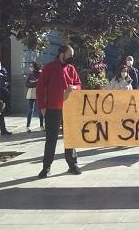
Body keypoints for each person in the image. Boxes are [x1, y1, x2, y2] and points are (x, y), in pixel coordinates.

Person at [36, 45, 82, 178]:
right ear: (62, 54)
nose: (71, 57)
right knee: (51, 139)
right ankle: (46, 167)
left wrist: (74, 87)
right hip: (52, 109)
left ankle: (72, 164)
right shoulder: (49, 68)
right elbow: (40, 88)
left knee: (70, 137)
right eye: (70, 54)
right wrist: (42, 107)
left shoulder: (71, 69)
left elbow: (79, 84)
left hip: (68, 109)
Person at [0, 60, 12, 136]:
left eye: (0, 64)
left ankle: (3, 130)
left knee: (1, 114)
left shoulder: (1, 73)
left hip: (2, 95)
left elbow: (3, 83)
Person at [25, 62, 44, 132]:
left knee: (40, 109)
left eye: (31, 66)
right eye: (30, 66)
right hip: (31, 92)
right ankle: (27, 126)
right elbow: (27, 84)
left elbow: (42, 83)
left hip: (39, 92)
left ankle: (41, 125)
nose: (30, 67)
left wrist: (35, 83)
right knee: (30, 110)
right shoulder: (30, 74)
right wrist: (34, 83)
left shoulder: (41, 73)